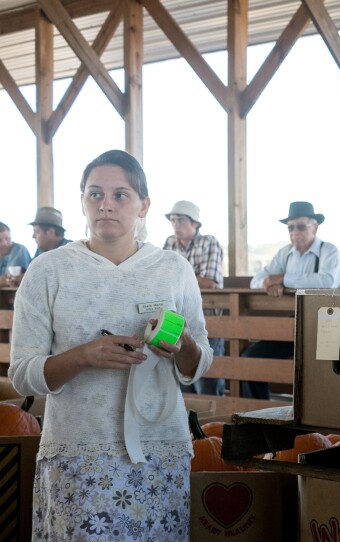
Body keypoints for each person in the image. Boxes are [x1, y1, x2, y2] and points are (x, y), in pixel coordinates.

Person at [9, 149, 213, 540]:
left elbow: (199, 361)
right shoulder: (48, 271)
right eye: (94, 194)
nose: (106, 205)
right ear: (82, 202)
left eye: (120, 195)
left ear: (143, 205)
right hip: (79, 455)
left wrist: (182, 343)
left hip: (160, 452)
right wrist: (83, 356)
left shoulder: (173, 269)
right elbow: (21, 374)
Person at [243, 201, 340, 399]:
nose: (294, 232)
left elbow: (327, 282)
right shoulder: (284, 254)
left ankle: (327, 419)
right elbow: (256, 281)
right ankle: (257, 416)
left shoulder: (328, 250)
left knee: (324, 368)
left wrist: (283, 280)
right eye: (290, 227)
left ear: (314, 227)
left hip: (330, 323)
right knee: (251, 358)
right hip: (296, 323)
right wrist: (269, 284)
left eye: (300, 226)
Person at [164, 200, 226, 396]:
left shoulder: (210, 242)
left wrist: (178, 279)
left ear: (195, 224)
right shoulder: (169, 243)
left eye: (181, 220)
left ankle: (209, 426)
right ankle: (187, 426)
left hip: (209, 321)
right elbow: (162, 280)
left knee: (208, 380)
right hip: (178, 319)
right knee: (181, 380)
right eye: (173, 220)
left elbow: (210, 282)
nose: (175, 225)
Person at [0, 221, 31, 287]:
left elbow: (12, 278)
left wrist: (5, 279)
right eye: (0, 240)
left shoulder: (18, 249)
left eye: (7, 239)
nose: (5, 243)